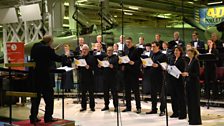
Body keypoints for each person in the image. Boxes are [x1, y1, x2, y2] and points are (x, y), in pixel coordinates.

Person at [30, 35, 63, 123]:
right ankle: (48, 117)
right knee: (49, 97)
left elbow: (43, 55)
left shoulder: (35, 46)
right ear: (49, 42)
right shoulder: (47, 49)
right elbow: (56, 58)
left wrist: (52, 50)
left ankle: (33, 117)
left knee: (36, 98)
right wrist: (65, 57)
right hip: (44, 76)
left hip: (35, 76)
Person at [120, 37, 141, 114]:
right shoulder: (124, 51)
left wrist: (134, 63)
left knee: (136, 92)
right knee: (127, 91)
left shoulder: (136, 50)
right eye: (126, 42)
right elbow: (122, 60)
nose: (127, 43)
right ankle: (128, 107)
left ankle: (138, 107)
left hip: (134, 74)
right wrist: (121, 63)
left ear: (132, 42)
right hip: (126, 73)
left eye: (129, 42)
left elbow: (139, 61)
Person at [181, 48, 202, 125]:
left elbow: (197, 73)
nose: (187, 53)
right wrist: (185, 74)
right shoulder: (188, 61)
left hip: (194, 84)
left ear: (193, 53)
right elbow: (187, 71)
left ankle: (196, 120)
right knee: (189, 102)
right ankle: (191, 118)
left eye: (189, 52)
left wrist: (188, 74)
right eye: (187, 52)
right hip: (188, 83)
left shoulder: (195, 61)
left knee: (194, 102)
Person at [146, 42, 167, 116]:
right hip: (152, 76)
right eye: (152, 46)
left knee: (161, 95)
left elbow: (165, 66)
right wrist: (146, 65)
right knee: (153, 94)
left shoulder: (163, 55)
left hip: (160, 77)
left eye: (154, 46)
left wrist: (158, 65)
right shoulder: (151, 54)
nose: (152, 48)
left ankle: (162, 110)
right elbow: (150, 64)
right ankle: (154, 109)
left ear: (158, 47)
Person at [168, 46, 186, 119]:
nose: (176, 52)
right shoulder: (172, 59)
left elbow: (182, 70)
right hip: (172, 80)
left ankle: (182, 113)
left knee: (180, 98)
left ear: (180, 52)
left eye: (177, 50)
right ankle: (175, 112)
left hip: (179, 81)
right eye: (175, 51)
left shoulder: (182, 60)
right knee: (173, 97)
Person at [77, 44, 96, 112]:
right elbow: (79, 68)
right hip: (82, 77)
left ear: (88, 50)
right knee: (83, 93)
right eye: (83, 50)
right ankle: (83, 107)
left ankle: (92, 106)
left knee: (91, 93)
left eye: (85, 49)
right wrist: (77, 67)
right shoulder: (80, 58)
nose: (84, 51)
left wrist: (89, 67)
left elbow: (94, 67)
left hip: (90, 78)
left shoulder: (92, 57)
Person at [100, 47, 119, 112]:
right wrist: (100, 66)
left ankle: (116, 106)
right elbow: (102, 68)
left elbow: (118, 68)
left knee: (114, 93)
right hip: (105, 78)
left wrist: (113, 66)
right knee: (105, 93)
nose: (109, 51)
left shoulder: (115, 58)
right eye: (108, 50)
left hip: (113, 78)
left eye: (110, 50)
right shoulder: (104, 58)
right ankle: (106, 106)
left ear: (113, 51)